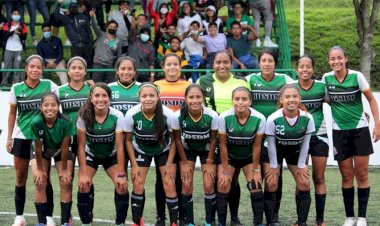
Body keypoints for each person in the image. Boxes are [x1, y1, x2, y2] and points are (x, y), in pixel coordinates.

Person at [322, 46, 380, 226]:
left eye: (339, 58)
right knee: (346, 175)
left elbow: (371, 99)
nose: (336, 61)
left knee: (362, 174)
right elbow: (327, 100)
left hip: (360, 129)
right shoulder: (326, 79)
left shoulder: (357, 76)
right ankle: (349, 217)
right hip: (339, 131)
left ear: (346, 59)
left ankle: (362, 217)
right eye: (332, 59)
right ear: (329, 61)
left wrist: (377, 124)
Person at [197, 50, 248, 226]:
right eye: (218, 62)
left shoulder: (241, 82)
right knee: (212, 180)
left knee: (231, 179)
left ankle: (233, 218)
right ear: (213, 64)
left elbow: (246, 110)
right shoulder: (203, 81)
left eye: (226, 62)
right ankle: (211, 219)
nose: (222, 66)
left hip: (234, 137)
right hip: (211, 138)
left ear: (231, 64)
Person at [6, 55, 57, 226]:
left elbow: (67, 89)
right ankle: (19, 217)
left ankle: (48, 218)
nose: (35, 70)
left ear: (42, 69)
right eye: (32, 66)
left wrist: (87, 84)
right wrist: (9, 137)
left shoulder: (49, 85)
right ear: (26, 68)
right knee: (20, 177)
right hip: (22, 137)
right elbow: (13, 113)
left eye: (39, 67)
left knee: (44, 178)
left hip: (42, 139)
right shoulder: (16, 88)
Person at [245, 49, 293, 225]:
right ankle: (258, 216)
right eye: (264, 60)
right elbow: (238, 98)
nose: (267, 64)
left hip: (277, 135)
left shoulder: (285, 80)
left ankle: (274, 215)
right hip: (255, 136)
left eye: (270, 61)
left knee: (275, 176)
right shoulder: (250, 80)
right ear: (259, 64)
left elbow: (297, 98)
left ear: (275, 64)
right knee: (257, 177)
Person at [125, 83, 178, 226]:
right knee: (137, 183)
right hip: (141, 150)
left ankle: (174, 222)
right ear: (139, 98)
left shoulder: (168, 114)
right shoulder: (132, 114)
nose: (148, 99)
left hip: (164, 150)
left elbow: (175, 140)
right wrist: (134, 165)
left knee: (169, 184)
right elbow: (128, 141)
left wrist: (169, 163)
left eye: (151, 95)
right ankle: (137, 221)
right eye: (144, 96)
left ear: (158, 97)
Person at [76, 83, 128, 225]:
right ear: (91, 98)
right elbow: (80, 146)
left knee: (121, 184)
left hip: (111, 156)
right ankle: (86, 222)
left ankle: (120, 222)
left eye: (104, 95)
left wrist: (122, 173)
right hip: (90, 154)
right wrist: (83, 172)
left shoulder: (117, 116)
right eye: (97, 95)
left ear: (109, 99)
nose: (100, 99)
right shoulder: (83, 116)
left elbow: (120, 146)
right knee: (84, 184)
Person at [264, 84, 315, 226]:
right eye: (287, 96)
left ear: (300, 98)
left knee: (304, 183)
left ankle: (301, 222)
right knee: (271, 182)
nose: (291, 99)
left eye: (294, 96)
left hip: (295, 151)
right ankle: (270, 221)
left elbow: (306, 143)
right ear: (281, 99)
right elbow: (271, 144)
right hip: (275, 151)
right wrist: (274, 166)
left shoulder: (308, 118)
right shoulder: (273, 118)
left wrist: (301, 165)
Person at [216, 86, 266, 226]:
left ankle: (258, 223)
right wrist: (225, 171)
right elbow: (223, 146)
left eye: (244, 99)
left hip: (248, 157)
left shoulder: (259, 118)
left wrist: (256, 171)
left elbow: (257, 146)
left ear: (250, 101)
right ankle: (222, 223)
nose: (240, 102)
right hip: (230, 157)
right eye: (237, 99)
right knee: (223, 184)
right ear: (232, 101)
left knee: (255, 185)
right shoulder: (224, 117)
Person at [172, 84, 219, 226]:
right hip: (187, 150)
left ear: (203, 98)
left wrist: (210, 161)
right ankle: (189, 221)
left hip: (207, 150)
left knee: (209, 183)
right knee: (186, 183)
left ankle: (209, 221)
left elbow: (213, 140)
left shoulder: (212, 115)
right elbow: (177, 140)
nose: (195, 100)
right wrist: (185, 163)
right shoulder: (178, 116)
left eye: (198, 97)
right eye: (191, 97)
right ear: (185, 99)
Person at [154, 53, 191, 225]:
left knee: (180, 178)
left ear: (180, 66)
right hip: (162, 140)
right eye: (168, 64)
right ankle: (161, 217)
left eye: (175, 64)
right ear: (163, 67)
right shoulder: (156, 86)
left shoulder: (188, 86)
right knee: (161, 178)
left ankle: (182, 216)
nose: (172, 67)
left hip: (182, 139)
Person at [293, 55, 329, 226]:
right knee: (301, 179)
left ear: (313, 69)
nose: (305, 69)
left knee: (319, 177)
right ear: (297, 69)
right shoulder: (292, 88)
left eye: (308, 66)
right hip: (299, 138)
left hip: (320, 137)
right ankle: (301, 221)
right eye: (301, 66)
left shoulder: (322, 87)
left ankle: (320, 220)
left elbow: (335, 104)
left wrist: (361, 113)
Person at [30, 92, 74, 226]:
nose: (50, 108)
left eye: (53, 105)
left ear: (58, 106)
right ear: (41, 107)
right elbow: (37, 148)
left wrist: (65, 170)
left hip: (61, 150)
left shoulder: (66, 121)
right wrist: (39, 169)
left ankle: (65, 222)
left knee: (66, 181)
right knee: (40, 181)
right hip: (41, 152)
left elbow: (65, 147)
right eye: (46, 105)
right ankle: (41, 222)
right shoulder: (36, 122)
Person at [55, 0, 94, 71]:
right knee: (77, 66)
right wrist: (58, 4)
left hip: (86, 46)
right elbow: (57, 15)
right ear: (69, 9)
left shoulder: (83, 17)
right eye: (72, 8)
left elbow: (89, 31)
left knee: (89, 65)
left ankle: (91, 80)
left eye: (75, 8)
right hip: (75, 47)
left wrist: (91, 44)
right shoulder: (66, 18)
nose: (74, 9)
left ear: (77, 8)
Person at [90, 10, 122, 84]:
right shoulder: (101, 35)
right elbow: (94, 26)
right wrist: (92, 17)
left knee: (109, 85)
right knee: (96, 84)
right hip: (97, 64)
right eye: (111, 26)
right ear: (107, 27)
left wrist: (117, 69)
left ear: (117, 28)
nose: (112, 28)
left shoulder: (118, 41)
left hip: (109, 66)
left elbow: (119, 56)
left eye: (114, 27)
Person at [1, 9, 27, 86]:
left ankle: (15, 85)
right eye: (14, 14)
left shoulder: (22, 25)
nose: (16, 15)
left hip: (18, 49)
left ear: (20, 16)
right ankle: (3, 85)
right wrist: (13, 32)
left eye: (17, 14)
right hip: (8, 48)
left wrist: (20, 34)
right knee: (7, 68)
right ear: (11, 15)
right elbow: (4, 36)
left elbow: (24, 37)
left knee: (17, 68)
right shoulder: (8, 25)